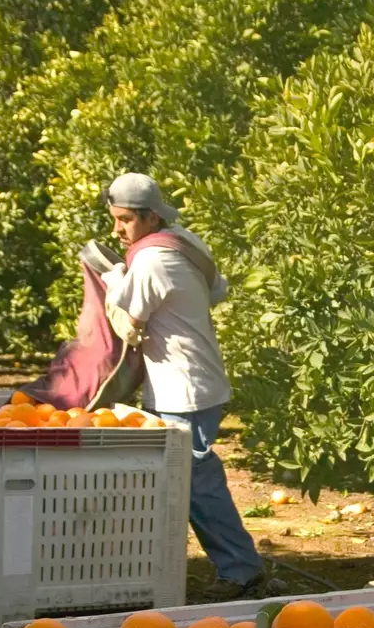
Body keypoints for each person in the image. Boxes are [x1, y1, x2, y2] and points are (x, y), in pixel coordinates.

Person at [99, 173, 266, 599]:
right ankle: (167, 570)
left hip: (183, 391)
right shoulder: (185, 241)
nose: (117, 230)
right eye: (114, 219)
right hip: (196, 382)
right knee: (181, 482)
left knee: (197, 484)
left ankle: (242, 570)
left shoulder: (152, 260)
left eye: (124, 221)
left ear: (150, 216)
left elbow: (127, 324)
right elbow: (217, 291)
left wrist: (113, 278)